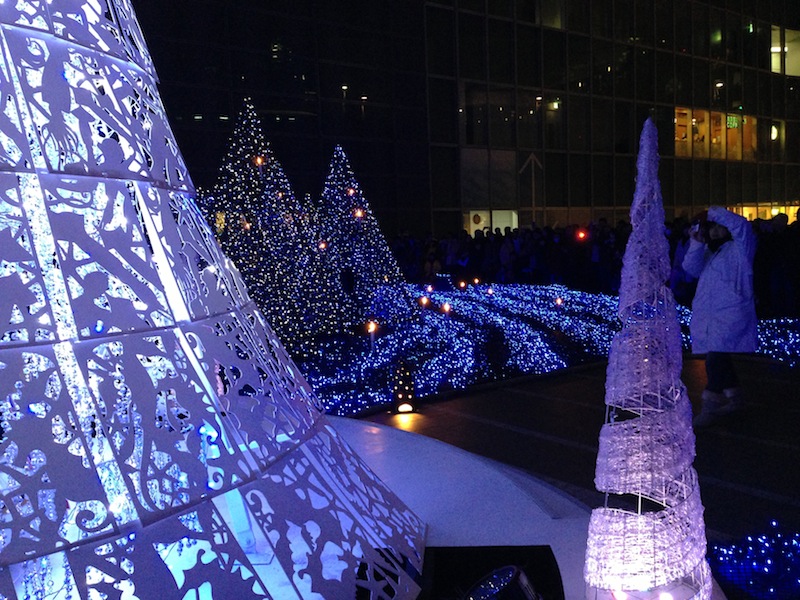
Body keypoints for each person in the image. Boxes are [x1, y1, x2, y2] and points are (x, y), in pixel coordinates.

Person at [682, 206, 758, 427]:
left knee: (715, 359)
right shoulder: (709, 253)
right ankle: (736, 398)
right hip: (710, 316)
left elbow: (742, 226)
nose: (714, 231)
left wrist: (711, 212)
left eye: (718, 227)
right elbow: (690, 268)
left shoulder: (741, 249)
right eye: (711, 228)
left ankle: (710, 407)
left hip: (731, 315)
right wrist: (696, 242)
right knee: (719, 358)